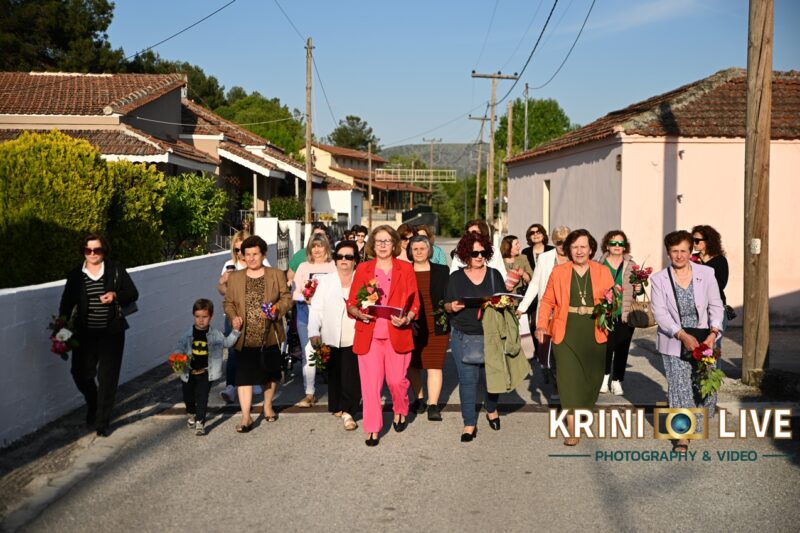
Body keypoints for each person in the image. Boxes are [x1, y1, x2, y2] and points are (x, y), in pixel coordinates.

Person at [535, 229, 614, 446]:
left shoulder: (602, 271)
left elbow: (612, 300)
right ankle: (573, 427)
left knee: (593, 379)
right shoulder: (559, 272)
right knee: (568, 379)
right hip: (566, 330)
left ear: (591, 249)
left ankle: (584, 411)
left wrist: (612, 305)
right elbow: (547, 300)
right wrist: (541, 324)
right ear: (569, 249)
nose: (579, 251)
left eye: (583, 247)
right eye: (575, 247)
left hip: (594, 329)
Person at [58, 233, 139, 437]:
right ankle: (94, 404)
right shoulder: (76, 274)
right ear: (83, 251)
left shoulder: (115, 269)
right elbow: (66, 304)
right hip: (84, 333)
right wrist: (61, 332)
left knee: (107, 378)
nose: (93, 253)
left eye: (97, 250)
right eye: (88, 250)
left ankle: (102, 421)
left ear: (104, 250)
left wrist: (115, 295)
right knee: (80, 373)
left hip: (112, 333)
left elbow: (133, 293)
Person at [651, 230, 723, 453]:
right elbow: (660, 313)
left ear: (691, 251)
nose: (679, 255)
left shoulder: (707, 273)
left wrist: (714, 333)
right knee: (679, 386)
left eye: (683, 250)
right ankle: (682, 435)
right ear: (668, 253)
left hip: (704, 339)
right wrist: (681, 334)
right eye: (675, 251)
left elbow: (716, 305)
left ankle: (697, 420)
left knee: (705, 386)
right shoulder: (659, 279)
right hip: (674, 339)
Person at [347, 225, 420, 447]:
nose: (382, 245)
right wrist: (358, 313)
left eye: (387, 241)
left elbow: (415, 303)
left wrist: (407, 318)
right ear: (372, 244)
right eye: (378, 241)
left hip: (397, 332)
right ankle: (372, 428)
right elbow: (352, 303)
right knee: (371, 386)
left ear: (395, 244)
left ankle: (400, 408)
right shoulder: (363, 268)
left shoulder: (405, 268)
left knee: (397, 381)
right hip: (369, 335)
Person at [223, 236, 292, 433]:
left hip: (269, 334)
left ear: (263, 254)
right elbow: (228, 303)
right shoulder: (235, 277)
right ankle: (246, 416)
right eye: (248, 254)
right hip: (244, 336)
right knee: (243, 377)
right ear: (242, 256)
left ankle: (267, 406)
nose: (251, 258)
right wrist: (233, 317)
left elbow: (287, 298)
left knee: (269, 374)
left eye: (255, 254)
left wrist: (276, 309)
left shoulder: (276, 274)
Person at [444, 231, 505, 443]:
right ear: (465, 254)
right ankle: (469, 423)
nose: (479, 257)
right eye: (474, 253)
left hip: (491, 335)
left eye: (482, 252)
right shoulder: (456, 277)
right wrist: (451, 306)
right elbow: (446, 304)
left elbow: (504, 301)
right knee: (468, 381)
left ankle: (492, 409)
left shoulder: (494, 275)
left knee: (492, 379)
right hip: (463, 335)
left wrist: (501, 303)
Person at [308, 240, 362, 431]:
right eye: (340, 256)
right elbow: (316, 309)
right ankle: (338, 405)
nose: (344, 260)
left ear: (355, 260)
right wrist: (313, 331)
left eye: (348, 256)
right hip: (331, 335)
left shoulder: (362, 280)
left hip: (355, 335)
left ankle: (348, 412)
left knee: (351, 375)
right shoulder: (326, 281)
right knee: (335, 374)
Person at [175, 299, 242, 435]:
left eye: (204, 317)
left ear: (211, 317)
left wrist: (235, 331)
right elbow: (179, 348)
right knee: (188, 397)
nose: (201, 320)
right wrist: (177, 357)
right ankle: (192, 414)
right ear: (193, 315)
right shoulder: (187, 336)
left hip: (206, 372)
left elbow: (228, 343)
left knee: (202, 397)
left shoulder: (216, 334)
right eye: (197, 316)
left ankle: (200, 422)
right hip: (189, 372)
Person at [217, 229, 268, 404]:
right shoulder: (229, 265)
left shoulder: (261, 262)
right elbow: (221, 290)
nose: (240, 253)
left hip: (254, 313)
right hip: (232, 314)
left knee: (254, 348)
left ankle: (254, 381)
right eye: (236, 249)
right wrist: (223, 282)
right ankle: (231, 386)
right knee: (233, 350)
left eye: (242, 249)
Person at [517, 225, 571, 392]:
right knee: (552, 350)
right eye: (559, 242)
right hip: (548, 312)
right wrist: (522, 307)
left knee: (566, 350)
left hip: (569, 312)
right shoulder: (545, 258)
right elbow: (534, 284)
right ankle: (556, 384)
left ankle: (564, 381)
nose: (562, 245)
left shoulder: (575, 257)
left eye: (566, 241)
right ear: (554, 242)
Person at [406, 235, 450, 421]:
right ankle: (419, 399)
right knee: (414, 365)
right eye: (415, 249)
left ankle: (433, 404)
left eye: (422, 249)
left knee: (434, 364)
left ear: (429, 250)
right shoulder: (404, 271)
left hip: (437, 324)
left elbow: (448, 296)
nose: (418, 252)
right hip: (412, 325)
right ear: (410, 251)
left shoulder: (442, 270)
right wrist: (408, 321)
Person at [291, 233, 336, 407]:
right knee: (308, 353)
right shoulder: (303, 267)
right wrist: (306, 298)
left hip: (329, 318)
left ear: (326, 248)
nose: (317, 250)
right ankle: (309, 393)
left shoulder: (333, 266)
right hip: (306, 317)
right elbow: (294, 293)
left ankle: (337, 391)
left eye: (320, 246)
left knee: (332, 353)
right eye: (313, 246)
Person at [598, 230, 642, 396]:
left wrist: (638, 288)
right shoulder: (599, 264)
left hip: (625, 313)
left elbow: (638, 290)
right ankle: (604, 378)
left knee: (622, 348)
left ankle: (617, 381)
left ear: (625, 246)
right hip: (605, 312)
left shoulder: (631, 265)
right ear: (607, 245)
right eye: (613, 243)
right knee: (606, 348)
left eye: (620, 243)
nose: (617, 246)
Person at [692, 224, 730, 347]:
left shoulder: (720, 260)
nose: (694, 243)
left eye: (697, 240)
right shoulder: (692, 259)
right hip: (695, 307)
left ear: (708, 241)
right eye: (692, 240)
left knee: (714, 344)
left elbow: (721, 284)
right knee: (697, 342)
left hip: (714, 306)